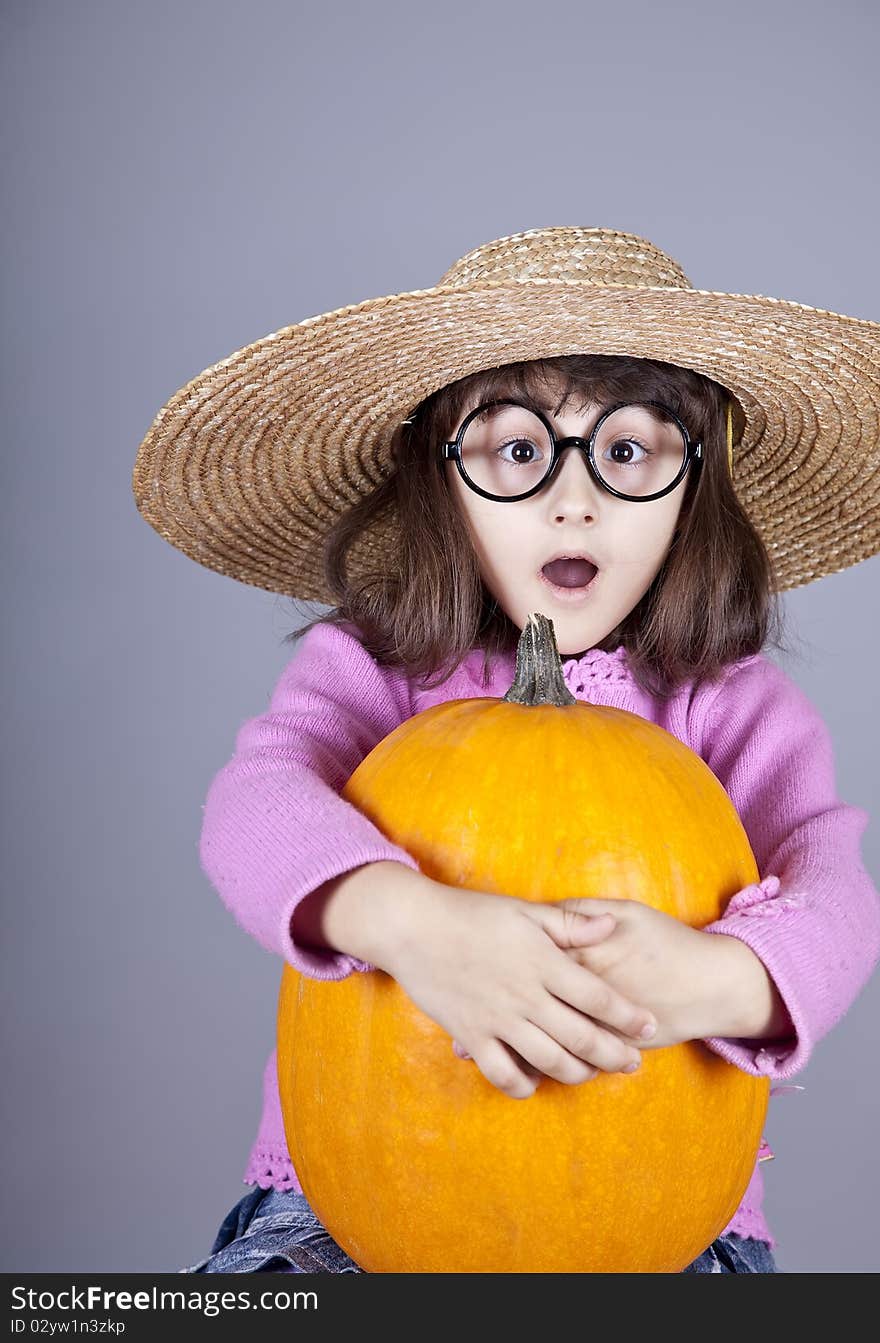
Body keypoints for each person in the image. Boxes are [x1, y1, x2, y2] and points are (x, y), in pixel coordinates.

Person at [132, 225, 880, 1274]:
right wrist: (412, 923)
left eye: (626, 450)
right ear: (441, 482)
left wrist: (714, 981)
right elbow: (253, 805)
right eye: (519, 449)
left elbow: (839, 899)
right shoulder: (381, 668)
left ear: (692, 486)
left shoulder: (733, 707)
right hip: (348, 1208)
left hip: (665, 1225)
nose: (571, 497)